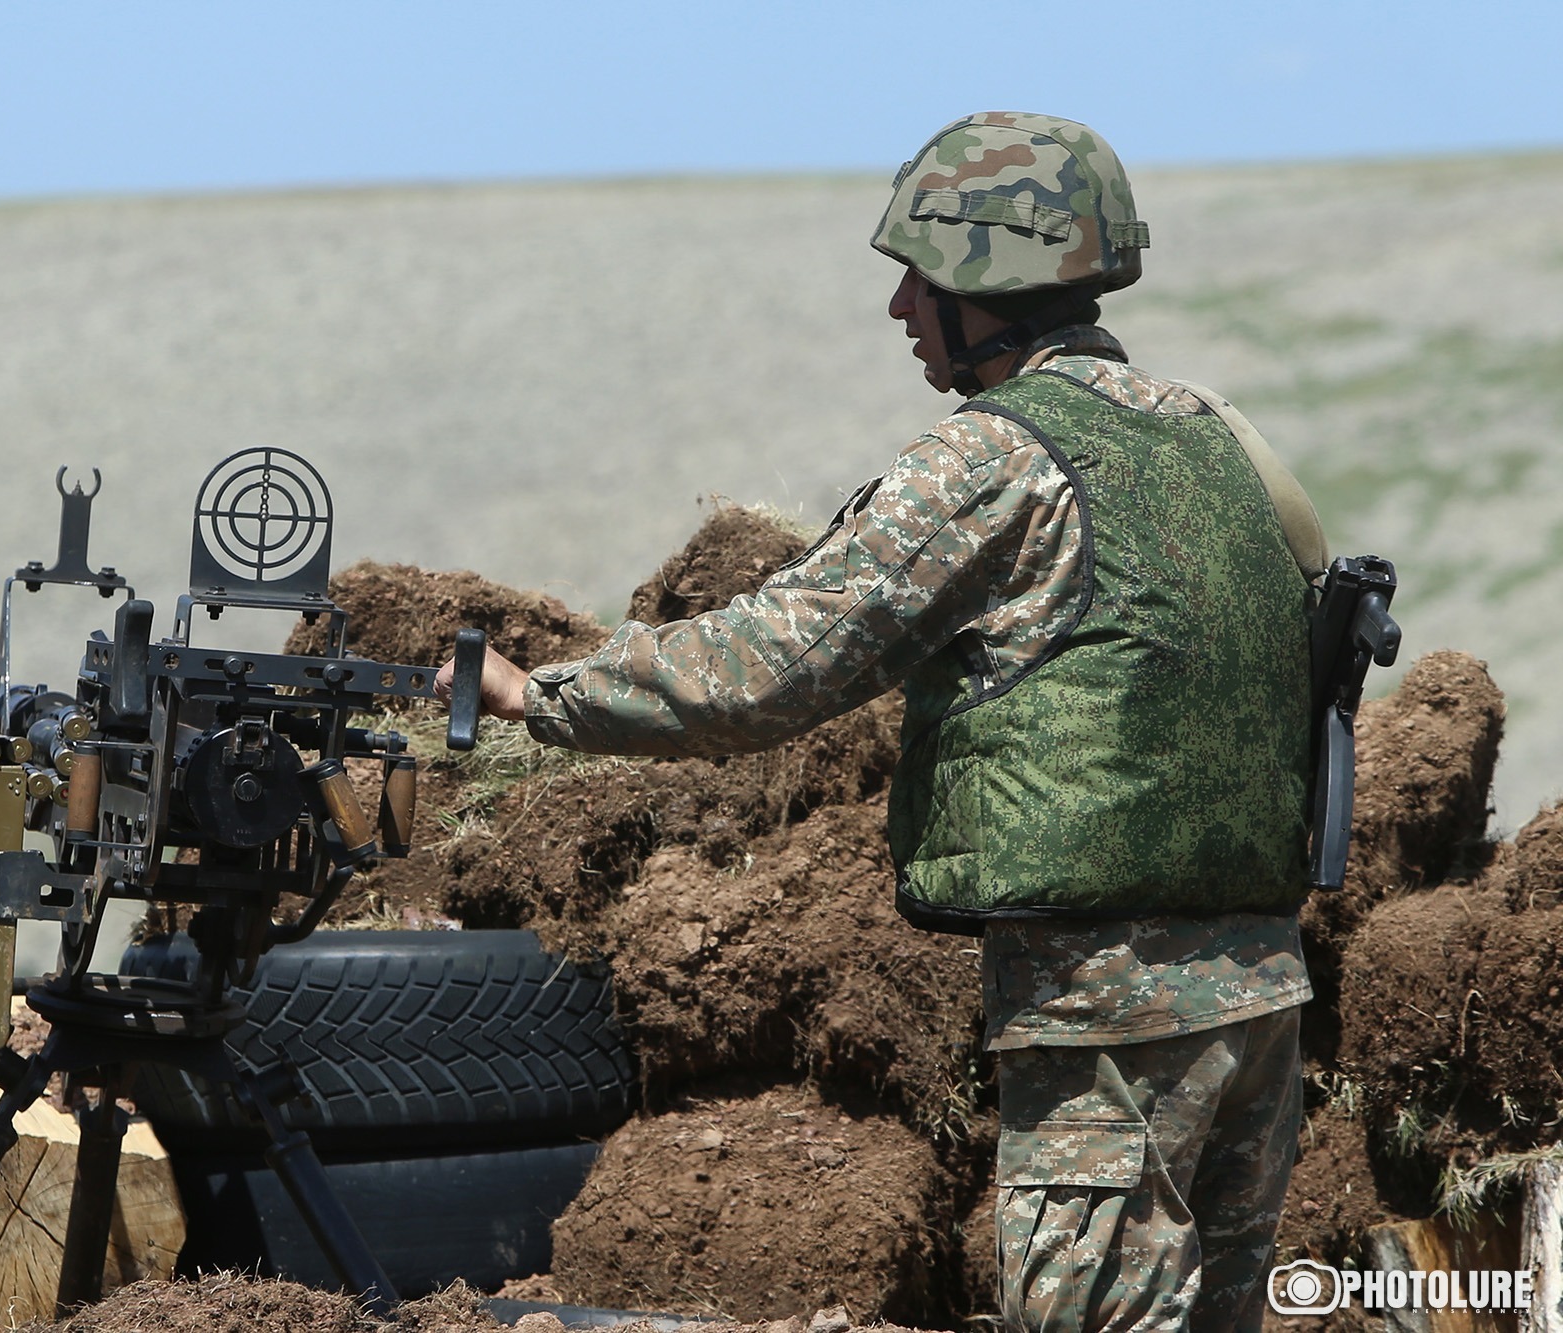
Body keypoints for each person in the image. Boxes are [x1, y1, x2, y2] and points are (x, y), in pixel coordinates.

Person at [438, 111, 1325, 1333]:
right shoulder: (1217, 436)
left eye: (917, 274)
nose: (899, 309)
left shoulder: (992, 462)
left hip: (1103, 1017)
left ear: (984, 279)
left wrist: (538, 696)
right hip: (1259, 992)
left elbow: (768, 664)